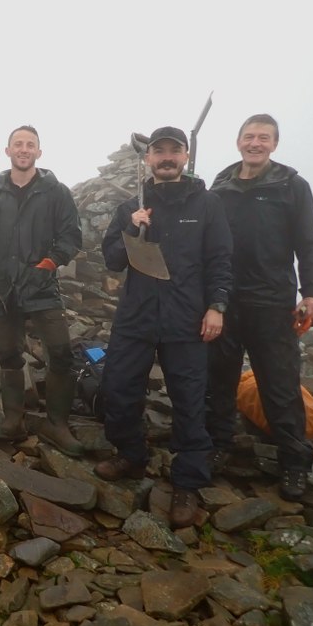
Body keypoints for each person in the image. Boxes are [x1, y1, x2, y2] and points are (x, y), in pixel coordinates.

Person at [95, 127, 232, 529]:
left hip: (187, 319)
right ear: (148, 159)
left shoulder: (207, 204)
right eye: (160, 151)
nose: (167, 157)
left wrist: (217, 306)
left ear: (185, 156)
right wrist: (130, 228)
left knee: (190, 400)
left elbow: (221, 259)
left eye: (174, 151)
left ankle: (187, 482)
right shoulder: (130, 206)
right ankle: (132, 455)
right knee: (118, 388)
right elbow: (112, 260)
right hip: (136, 317)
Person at [206, 114, 313, 501]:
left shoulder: (292, 186)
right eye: (249, 136)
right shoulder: (219, 187)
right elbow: (204, 242)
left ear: (274, 144)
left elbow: (308, 243)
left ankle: (294, 460)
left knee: (279, 384)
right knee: (219, 378)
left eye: (263, 138)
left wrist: (312, 294)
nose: (255, 143)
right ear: (238, 141)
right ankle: (219, 444)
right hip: (223, 300)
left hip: (272, 302)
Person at [0, 125, 83, 455]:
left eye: (29, 144)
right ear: (7, 151)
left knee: (61, 353)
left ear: (39, 152)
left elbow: (70, 236)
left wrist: (47, 265)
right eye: (17, 144)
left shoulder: (55, 191)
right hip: (3, 289)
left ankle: (56, 424)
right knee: (8, 355)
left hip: (42, 286)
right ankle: (13, 420)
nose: (23, 149)